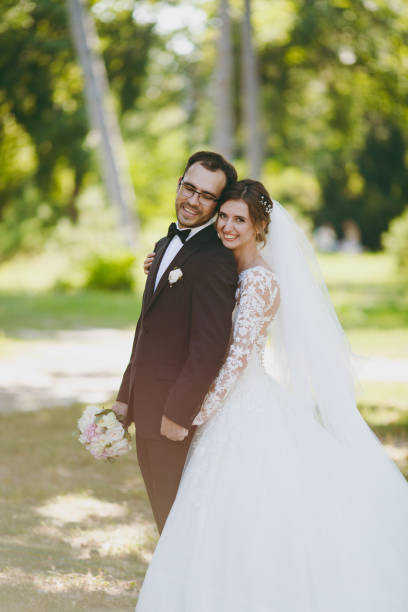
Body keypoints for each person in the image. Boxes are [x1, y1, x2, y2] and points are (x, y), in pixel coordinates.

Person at [135, 179, 408, 611]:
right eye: (223, 216)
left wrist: (197, 412)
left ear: (260, 227)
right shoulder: (226, 268)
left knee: (253, 507)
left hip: (240, 404)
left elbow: (237, 359)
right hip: (227, 405)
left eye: (238, 220)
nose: (226, 225)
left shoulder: (260, 281)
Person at [112, 151, 238, 534]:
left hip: (173, 419)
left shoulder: (216, 259)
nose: (192, 200)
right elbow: (146, 329)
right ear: (179, 183)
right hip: (145, 407)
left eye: (205, 196)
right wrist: (124, 397)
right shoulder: (164, 244)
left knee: (178, 524)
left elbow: (210, 347)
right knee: (164, 520)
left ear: (218, 205)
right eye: (189, 187)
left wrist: (178, 415)